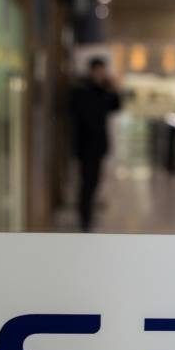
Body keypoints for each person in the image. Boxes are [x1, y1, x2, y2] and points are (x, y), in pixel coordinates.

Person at [71, 57, 121, 232]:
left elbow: (116, 106)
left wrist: (112, 87)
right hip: (85, 145)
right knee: (87, 182)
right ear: (92, 71)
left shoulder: (103, 90)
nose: (100, 74)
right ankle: (84, 217)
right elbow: (82, 114)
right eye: (98, 70)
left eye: (102, 71)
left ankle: (88, 214)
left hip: (98, 145)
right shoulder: (82, 89)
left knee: (94, 181)